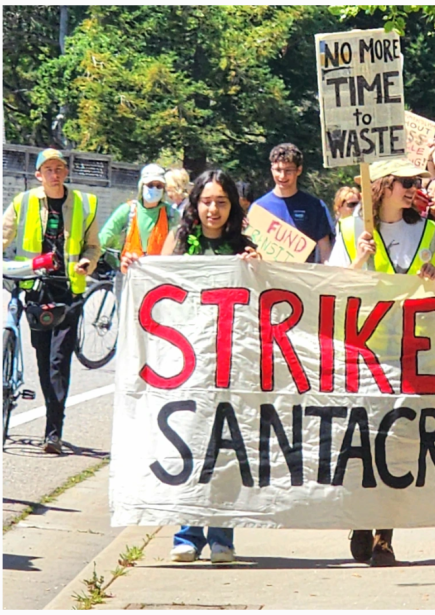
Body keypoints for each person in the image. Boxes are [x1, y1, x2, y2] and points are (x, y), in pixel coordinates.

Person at [123, 170, 259, 563]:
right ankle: (187, 533)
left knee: (225, 448)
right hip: (187, 365)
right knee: (188, 442)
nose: (213, 209)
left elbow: (262, 298)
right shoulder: (179, 241)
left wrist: (258, 268)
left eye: (221, 202)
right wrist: (137, 265)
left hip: (230, 363)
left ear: (232, 207)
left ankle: (222, 537)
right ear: (195, 205)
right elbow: (156, 283)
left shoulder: (244, 248)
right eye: (206, 201)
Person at [327, 158, 435, 566]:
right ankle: (362, 520)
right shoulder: (351, 231)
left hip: (411, 353)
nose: (414, 189)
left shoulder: (430, 233)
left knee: (398, 443)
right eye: (405, 182)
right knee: (363, 441)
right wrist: (357, 262)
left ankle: (385, 535)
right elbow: (328, 286)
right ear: (383, 186)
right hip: (364, 353)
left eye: (416, 182)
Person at [2, 149, 101, 454]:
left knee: (59, 361)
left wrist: (87, 262)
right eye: (48, 169)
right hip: (36, 289)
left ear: (66, 172)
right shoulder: (23, 202)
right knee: (44, 360)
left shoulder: (85, 203)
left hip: (68, 290)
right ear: (38, 175)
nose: (54, 174)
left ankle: (53, 432)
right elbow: (3, 235)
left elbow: (93, 246)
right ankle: (51, 420)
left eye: (59, 168)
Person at [251, 143, 334, 263]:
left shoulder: (315, 206)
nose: (282, 176)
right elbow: (250, 249)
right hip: (269, 274)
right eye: (278, 170)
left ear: (299, 170)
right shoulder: (259, 207)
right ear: (271, 169)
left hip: (304, 274)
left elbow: (325, 252)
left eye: (288, 171)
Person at [99, 163, 180, 272]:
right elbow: (106, 236)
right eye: (150, 185)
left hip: (159, 274)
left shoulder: (172, 214)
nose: (155, 189)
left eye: (159, 186)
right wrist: (90, 257)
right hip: (131, 272)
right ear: (142, 186)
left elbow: (181, 245)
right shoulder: (127, 210)